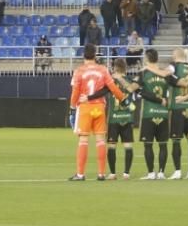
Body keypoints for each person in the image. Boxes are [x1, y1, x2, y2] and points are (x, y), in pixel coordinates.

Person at [68, 43, 126, 181]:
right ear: (95, 55)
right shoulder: (103, 69)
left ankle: (80, 174)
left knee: (83, 140)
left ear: (84, 55)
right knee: (100, 140)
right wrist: (122, 98)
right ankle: (101, 174)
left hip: (85, 107)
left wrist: (72, 106)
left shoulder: (79, 71)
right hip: (99, 107)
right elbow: (112, 87)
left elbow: (75, 91)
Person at [135, 48, 175, 180]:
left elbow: (136, 89)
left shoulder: (143, 73)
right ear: (157, 58)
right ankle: (162, 172)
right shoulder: (165, 74)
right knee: (163, 144)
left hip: (148, 113)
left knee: (148, 144)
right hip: (163, 113)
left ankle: (151, 173)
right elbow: (177, 86)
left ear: (146, 58)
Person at [166, 48, 188, 179]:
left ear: (174, 56)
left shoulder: (173, 67)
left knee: (176, 140)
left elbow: (182, 82)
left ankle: (178, 171)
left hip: (177, 109)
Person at [103, 58, 138, 179]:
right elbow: (132, 89)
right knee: (128, 146)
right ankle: (126, 173)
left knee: (112, 146)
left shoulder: (111, 81)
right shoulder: (130, 80)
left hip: (114, 118)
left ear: (115, 67)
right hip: (127, 118)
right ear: (126, 68)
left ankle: (112, 173)